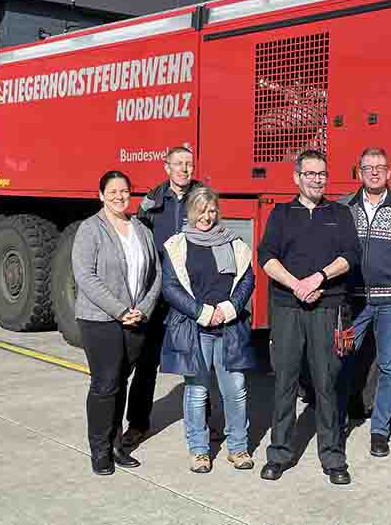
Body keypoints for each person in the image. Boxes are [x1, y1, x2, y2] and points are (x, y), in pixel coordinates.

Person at [257, 149, 361, 485]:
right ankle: (279, 452)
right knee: (285, 380)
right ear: (296, 178)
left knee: (326, 382)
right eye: (310, 174)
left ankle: (332, 455)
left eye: (321, 174)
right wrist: (296, 285)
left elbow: (350, 256)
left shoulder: (340, 213)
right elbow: (266, 257)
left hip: (327, 307)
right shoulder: (281, 214)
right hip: (288, 308)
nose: (316, 179)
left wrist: (318, 278)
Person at [159, 187, 257, 473]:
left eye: (212, 211)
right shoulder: (177, 245)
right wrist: (202, 313)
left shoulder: (233, 242)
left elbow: (247, 280)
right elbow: (170, 287)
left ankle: (238, 448)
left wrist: (228, 309)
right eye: (201, 211)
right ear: (191, 212)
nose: (207, 217)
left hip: (229, 326)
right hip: (195, 327)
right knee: (197, 390)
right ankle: (199, 450)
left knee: (235, 390)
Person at [72, 170, 162, 475]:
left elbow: (156, 275)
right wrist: (120, 310)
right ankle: (99, 451)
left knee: (121, 382)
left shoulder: (141, 229)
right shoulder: (90, 229)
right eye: (112, 192)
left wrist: (144, 309)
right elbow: (85, 276)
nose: (119, 196)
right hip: (100, 320)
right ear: (101, 195)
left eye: (124, 191)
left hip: (136, 319)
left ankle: (115, 445)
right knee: (105, 383)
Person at [122, 146, 207, 452]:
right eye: (179, 164)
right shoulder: (152, 199)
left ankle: (204, 424)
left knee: (197, 362)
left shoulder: (203, 197)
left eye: (189, 164)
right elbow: (139, 245)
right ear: (167, 166)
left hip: (190, 294)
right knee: (146, 362)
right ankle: (137, 424)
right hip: (157, 293)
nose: (184, 169)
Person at [335, 147, 391, 457]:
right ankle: (338, 423)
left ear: (389, 172)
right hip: (352, 301)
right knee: (340, 359)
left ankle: (379, 431)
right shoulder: (344, 207)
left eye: (380, 167)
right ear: (358, 172)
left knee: (388, 366)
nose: (374, 172)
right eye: (368, 167)